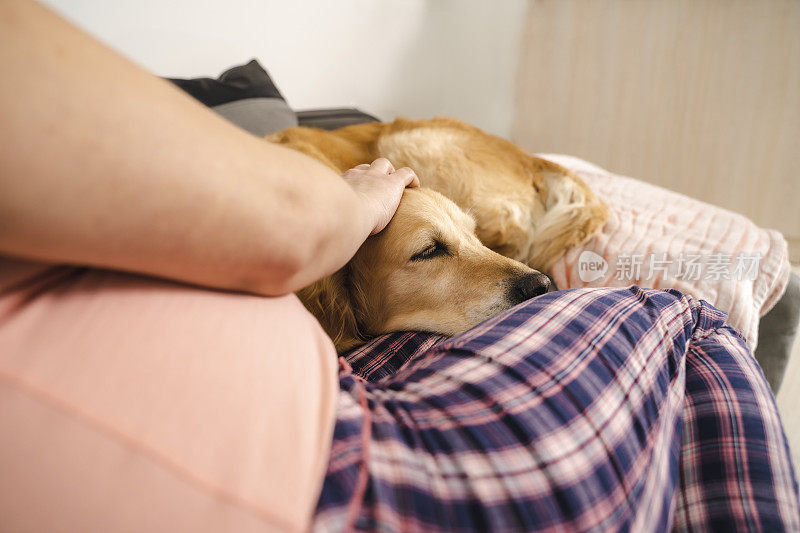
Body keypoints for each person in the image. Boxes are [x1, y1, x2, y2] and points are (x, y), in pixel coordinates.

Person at [0, 0, 416, 531]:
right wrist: (356, 199)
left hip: (322, 412)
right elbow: (292, 223)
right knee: (560, 312)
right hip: (347, 467)